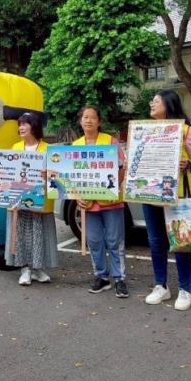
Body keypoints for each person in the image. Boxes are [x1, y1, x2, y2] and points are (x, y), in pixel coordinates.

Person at [142, 90, 191, 311]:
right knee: (156, 242)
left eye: (156, 101)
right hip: (151, 195)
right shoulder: (145, 131)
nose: (152, 104)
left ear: (169, 104)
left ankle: (185, 289)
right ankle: (161, 286)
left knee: (181, 242)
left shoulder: (186, 131)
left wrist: (187, 164)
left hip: (178, 195)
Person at [0, 112, 58, 286]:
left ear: (35, 126)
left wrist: (50, 175)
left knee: (39, 235)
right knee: (20, 235)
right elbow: (5, 173)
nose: (21, 127)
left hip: (40, 202)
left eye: (25, 124)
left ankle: (38, 269)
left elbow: (59, 180)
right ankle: (25, 270)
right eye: (20, 124)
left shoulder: (48, 150)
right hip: (18, 201)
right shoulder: (15, 148)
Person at [74, 105, 128, 298]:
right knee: (94, 242)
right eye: (85, 117)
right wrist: (77, 197)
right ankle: (102, 277)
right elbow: (69, 178)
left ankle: (120, 279)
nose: (88, 120)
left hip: (111, 202)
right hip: (87, 204)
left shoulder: (111, 142)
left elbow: (122, 169)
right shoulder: (75, 146)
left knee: (115, 241)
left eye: (92, 117)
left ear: (99, 121)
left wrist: (113, 187)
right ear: (81, 121)